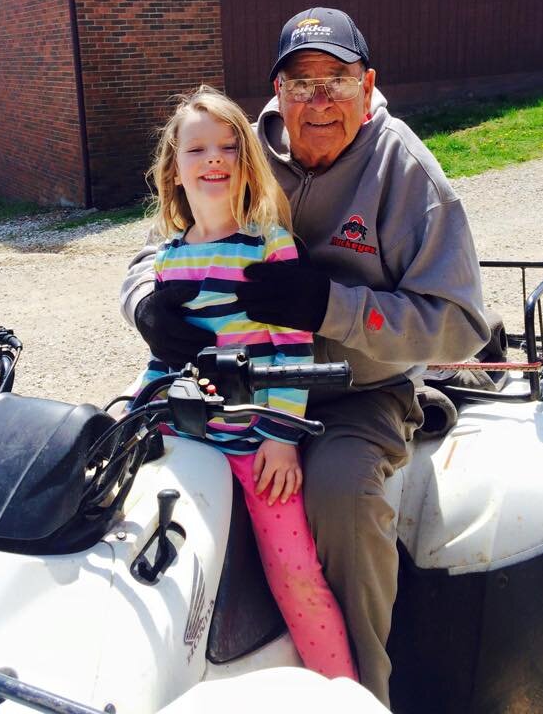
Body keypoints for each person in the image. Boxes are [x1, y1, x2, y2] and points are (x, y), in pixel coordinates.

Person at [121, 9, 490, 707]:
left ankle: (357, 693)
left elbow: (462, 324)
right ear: (277, 92)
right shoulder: (237, 145)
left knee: (339, 498)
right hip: (231, 378)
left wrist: (330, 307)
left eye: (337, 82)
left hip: (356, 391)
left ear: (367, 83)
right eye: (301, 84)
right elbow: (164, 245)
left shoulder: (405, 170)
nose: (318, 102)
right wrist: (145, 302)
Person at [132, 85, 358, 681]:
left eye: (230, 147)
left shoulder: (268, 245)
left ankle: (341, 690)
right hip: (189, 439)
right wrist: (136, 414)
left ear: (245, 162)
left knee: (296, 574)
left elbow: (292, 348)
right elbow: (166, 359)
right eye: (198, 148)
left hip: (256, 446)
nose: (215, 158)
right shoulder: (169, 259)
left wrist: (282, 436)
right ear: (174, 168)